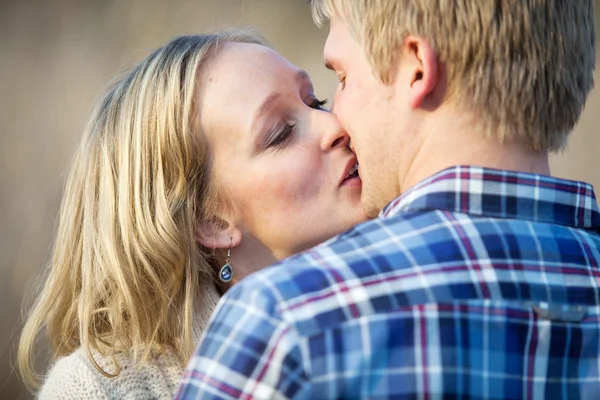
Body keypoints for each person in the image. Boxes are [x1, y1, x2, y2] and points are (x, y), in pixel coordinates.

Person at [177, 1, 600, 399]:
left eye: (341, 80)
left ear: (416, 69)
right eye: (280, 133)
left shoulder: (288, 324)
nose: (335, 120)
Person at [17, 31, 366, 399]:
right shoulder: (101, 389)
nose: (335, 127)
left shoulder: (404, 293)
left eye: (316, 101)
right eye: (280, 134)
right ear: (211, 222)